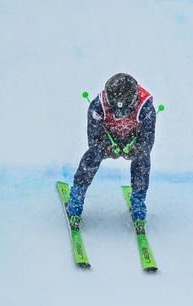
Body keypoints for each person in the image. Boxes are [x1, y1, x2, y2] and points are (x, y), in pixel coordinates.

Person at [65, 73, 157, 234]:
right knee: (92, 156)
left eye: (124, 111)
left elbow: (147, 140)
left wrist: (138, 149)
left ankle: (138, 202)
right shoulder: (97, 106)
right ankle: (76, 199)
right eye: (114, 109)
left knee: (142, 159)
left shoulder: (146, 108)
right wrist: (105, 147)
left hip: (132, 140)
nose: (118, 114)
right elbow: (93, 139)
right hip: (107, 139)